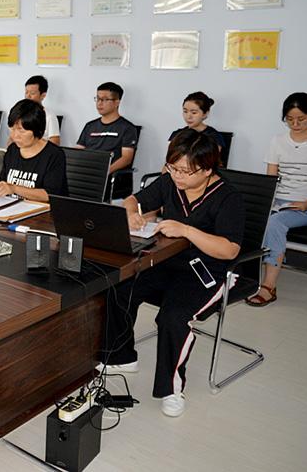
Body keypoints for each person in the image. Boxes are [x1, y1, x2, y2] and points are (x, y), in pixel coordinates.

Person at [104, 130, 244, 418]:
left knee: (173, 316)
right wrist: (132, 213)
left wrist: (187, 231)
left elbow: (230, 250)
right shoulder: (170, 182)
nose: (177, 175)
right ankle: (122, 356)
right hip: (167, 260)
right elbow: (132, 200)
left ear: (207, 170)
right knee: (119, 287)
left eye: (185, 171)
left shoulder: (228, 197)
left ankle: (171, 389)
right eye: (172, 167)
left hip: (207, 270)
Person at [246, 92, 307, 307]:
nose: (295, 124)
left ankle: (268, 286)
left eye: (301, 119)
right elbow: (271, 180)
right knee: (245, 215)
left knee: (274, 223)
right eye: (289, 119)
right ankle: (242, 277)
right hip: (277, 203)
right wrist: (265, 203)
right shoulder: (277, 141)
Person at [0, 99, 68, 202]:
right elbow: (3, 181)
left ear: (37, 129)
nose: (14, 136)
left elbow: (50, 195)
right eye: (12, 129)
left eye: (21, 131)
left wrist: (14, 188)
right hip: (13, 207)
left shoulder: (54, 155)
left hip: (42, 209)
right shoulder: (12, 150)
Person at [76, 82, 139, 197]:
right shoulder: (90, 126)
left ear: (117, 102)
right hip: (87, 173)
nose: (99, 103)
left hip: (110, 176)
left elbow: (126, 158)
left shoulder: (127, 128)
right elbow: (78, 151)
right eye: (98, 99)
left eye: (105, 99)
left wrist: (105, 171)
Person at [23, 75, 61, 145]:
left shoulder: (49, 116)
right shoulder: (20, 113)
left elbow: (55, 143)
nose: (28, 96)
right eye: (26, 92)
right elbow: (12, 138)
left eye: (32, 93)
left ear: (43, 95)